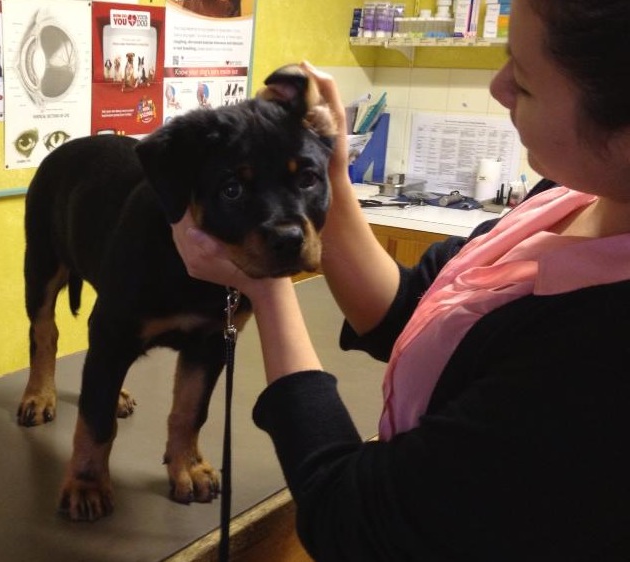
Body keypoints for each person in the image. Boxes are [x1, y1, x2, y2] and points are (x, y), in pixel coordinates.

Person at [170, 0, 630, 559]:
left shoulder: (602, 355)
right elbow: (412, 311)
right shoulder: (568, 195)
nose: (497, 87)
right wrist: (329, 168)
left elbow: (353, 522)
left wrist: (266, 286)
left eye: (525, 82)